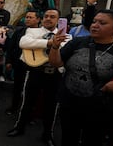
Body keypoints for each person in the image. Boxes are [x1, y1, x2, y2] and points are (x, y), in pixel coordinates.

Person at [49, 9, 113, 146]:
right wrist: (55, 47)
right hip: (69, 103)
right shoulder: (78, 42)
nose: (95, 25)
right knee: (68, 138)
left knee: (93, 140)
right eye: (94, 21)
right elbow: (56, 63)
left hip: (99, 108)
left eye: (102, 23)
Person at [7, 8, 71, 146]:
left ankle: (48, 135)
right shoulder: (33, 31)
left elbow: (65, 49)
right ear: (42, 19)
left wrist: (55, 43)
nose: (48, 18)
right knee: (27, 102)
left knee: (51, 106)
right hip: (35, 71)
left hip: (54, 74)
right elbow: (24, 43)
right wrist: (50, 43)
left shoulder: (66, 35)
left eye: (52, 16)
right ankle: (19, 127)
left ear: (58, 20)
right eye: (46, 16)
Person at [5, 10, 41, 115]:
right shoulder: (19, 31)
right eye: (27, 17)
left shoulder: (41, 33)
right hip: (19, 64)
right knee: (17, 87)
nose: (28, 19)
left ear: (38, 19)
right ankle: (14, 107)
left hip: (35, 66)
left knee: (32, 90)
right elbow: (11, 47)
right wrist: (9, 61)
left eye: (31, 17)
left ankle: (30, 112)